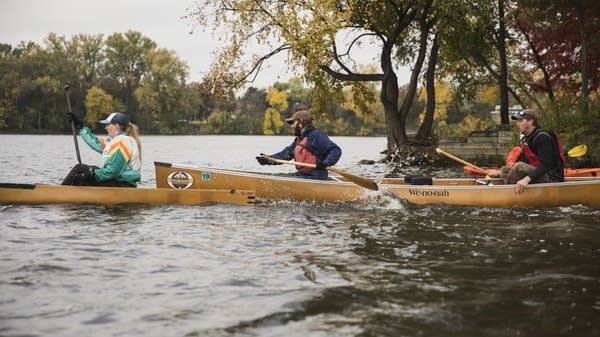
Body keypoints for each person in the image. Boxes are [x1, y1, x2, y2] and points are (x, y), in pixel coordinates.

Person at [491, 110, 564, 194]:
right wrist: (499, 173)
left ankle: (506, 193)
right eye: (517, 121)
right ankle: (514, 189)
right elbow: (525, 161)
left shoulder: (542, 137)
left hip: (552, 178)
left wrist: (527, 179)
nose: (517, 124)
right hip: (539, 174)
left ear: (530, 121)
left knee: (519, 166)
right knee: (504, 170)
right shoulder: (527, 139)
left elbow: (546, 165)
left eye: (521, 121)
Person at [255, 109, 341, 180]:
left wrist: (325, 163)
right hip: (303, 175)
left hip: (315, 177)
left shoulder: (315, 135)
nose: (291, 126)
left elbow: (336, 150)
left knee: (275, 178)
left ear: (301, 121)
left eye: (293, 122)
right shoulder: (299, 139)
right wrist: (269, 159)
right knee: (275, 176)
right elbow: (285, 155)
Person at [62, 112, 142, 187]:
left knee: (79, 170)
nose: (106, 128)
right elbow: (95, 142)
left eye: (108, 125)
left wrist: (92, 173)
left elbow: (112, 172)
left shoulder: (122, 142)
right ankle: (64, 191)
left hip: (123, 185)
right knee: (80, 169)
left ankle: (60, 192)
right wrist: (81, 127)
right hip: (118, 182)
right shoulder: (116, 141)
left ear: (116, 126)